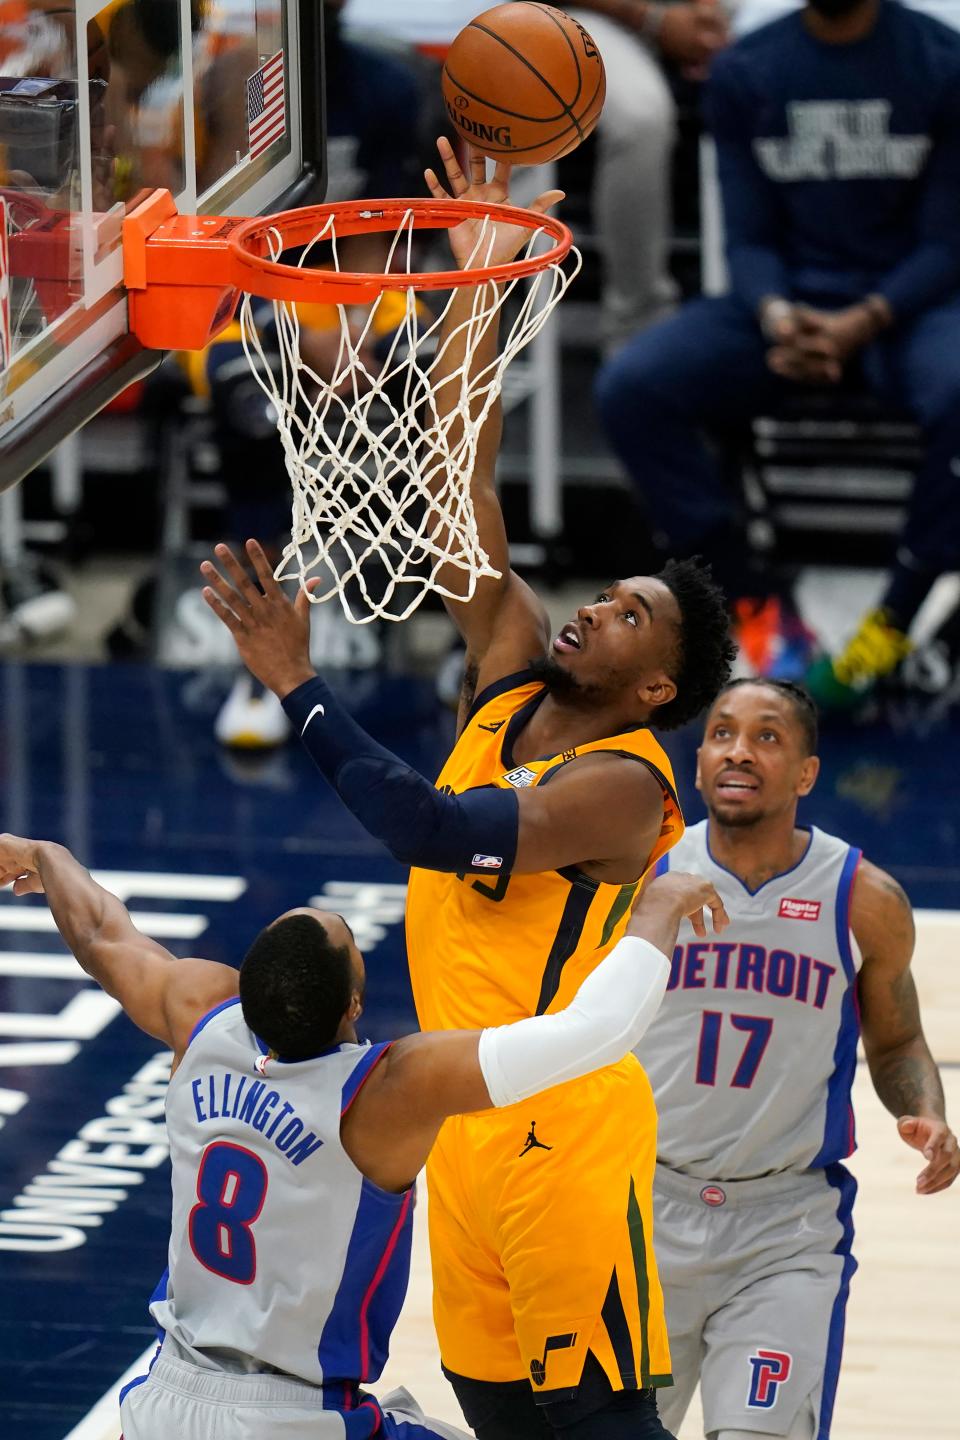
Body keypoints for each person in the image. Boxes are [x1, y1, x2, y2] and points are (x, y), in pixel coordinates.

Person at [200, 140, 737, 1439]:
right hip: (467, 1116)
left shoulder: (622, 786)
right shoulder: (507, 670)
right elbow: (462, 485)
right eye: (605, 595)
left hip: (564, 1118)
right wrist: (472, 297)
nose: (598, 609)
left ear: (657, 688)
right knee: (497, 1408)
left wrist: (294, 682)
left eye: (629, 619)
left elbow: (431, 830)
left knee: (599, 1428)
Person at [0, 830, 728, 1440]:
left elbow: (100, 931)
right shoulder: (386, 1094)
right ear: (354, 1005)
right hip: (291, 1416)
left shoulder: (199, 1021)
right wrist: (657, 906)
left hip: (163, 1400)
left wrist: (43, 853)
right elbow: (596, 1031)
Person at [595, 0, 960, 697]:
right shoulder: (747, 68)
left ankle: (892, 627)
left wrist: (866, 317)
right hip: (784, 312)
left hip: (909, 310)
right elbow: (749, 238)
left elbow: (947, 244)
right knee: (633, 388)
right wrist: (777, 314)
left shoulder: (943, 62)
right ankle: (755, 604)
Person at [639, 676, 959, 1440]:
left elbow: (896, 1037)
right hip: (640, 1212)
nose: (738, 752)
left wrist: (925, 1110)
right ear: (699, 758)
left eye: (767, 736)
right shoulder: (639, 876)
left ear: (808, 773)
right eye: (721, 733)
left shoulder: (863, 897)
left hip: (784, 1229)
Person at [555, 1, 730, 348]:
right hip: (599, 12)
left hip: (715, 13)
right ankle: (636, 326)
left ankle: (781, 300)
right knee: (640, 118)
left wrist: (707, 11)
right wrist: (652, 19)